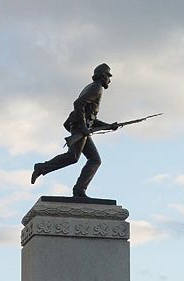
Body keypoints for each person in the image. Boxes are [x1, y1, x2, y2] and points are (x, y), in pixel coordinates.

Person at [30, 63, 118, 198]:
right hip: (79, 127)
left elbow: (91, 118)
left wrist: (109, 126)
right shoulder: (97, 87)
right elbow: (78, 104)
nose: (109, 80)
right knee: (80, 158)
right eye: (108, 76)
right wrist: (83, 127)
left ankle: (78, 189)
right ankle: (75, 188)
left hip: (80, 126)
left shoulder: (94, 87)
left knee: (92, 159)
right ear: (103, 75)